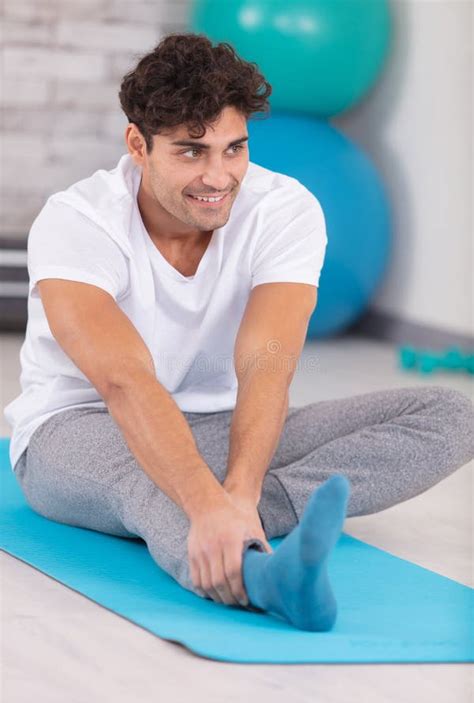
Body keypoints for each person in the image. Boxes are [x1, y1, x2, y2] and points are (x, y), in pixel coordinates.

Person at [4, 33, 473, 632]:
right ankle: (261, 577)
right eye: (191, 152)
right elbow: (123, 380)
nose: (218, 176)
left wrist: (243, 493)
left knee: (451, 414)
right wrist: (203, 500)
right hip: (80, 427)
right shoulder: (76, 221)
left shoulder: (285, 209)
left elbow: (268, 362)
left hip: (219, 426)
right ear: (137, 145)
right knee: (149, 484)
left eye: (234, 149)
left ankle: (251, 515)